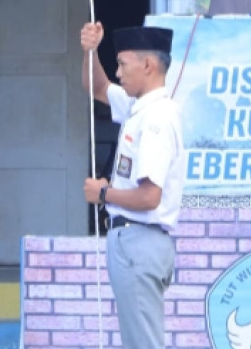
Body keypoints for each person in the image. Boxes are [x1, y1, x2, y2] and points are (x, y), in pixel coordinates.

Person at [79, 21, 185, 349]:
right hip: (134, 240)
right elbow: (97, 87)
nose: (119, 72)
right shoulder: (140, 106)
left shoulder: (155, 118)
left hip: (141, 238)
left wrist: (104, 194)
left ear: (148, 65)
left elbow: (150, 196)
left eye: (123, 64)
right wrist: (90, 51)